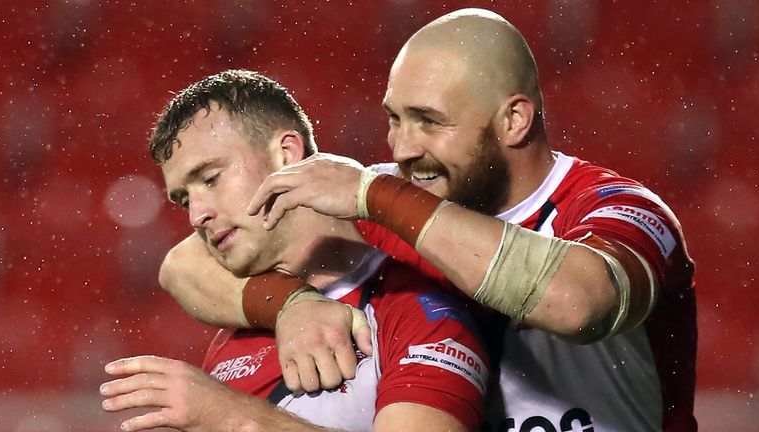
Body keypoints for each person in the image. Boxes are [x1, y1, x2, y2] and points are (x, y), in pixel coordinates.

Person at [159, 8, 697, 432]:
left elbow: (579, 302)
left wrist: (376, 197)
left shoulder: (618, 209)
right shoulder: (393, 195)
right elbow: (188, 261)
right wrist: (287, 305)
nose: (402, 147)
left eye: (428, 122)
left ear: (514, 120)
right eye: (394, 118)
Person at [99, 70, 489, 432]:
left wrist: (231, 415)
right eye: (184, 199)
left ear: (286, 155)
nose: (197, 215)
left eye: (211, 178)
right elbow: (177, 265)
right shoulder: (237, 325)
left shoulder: (415, 303)